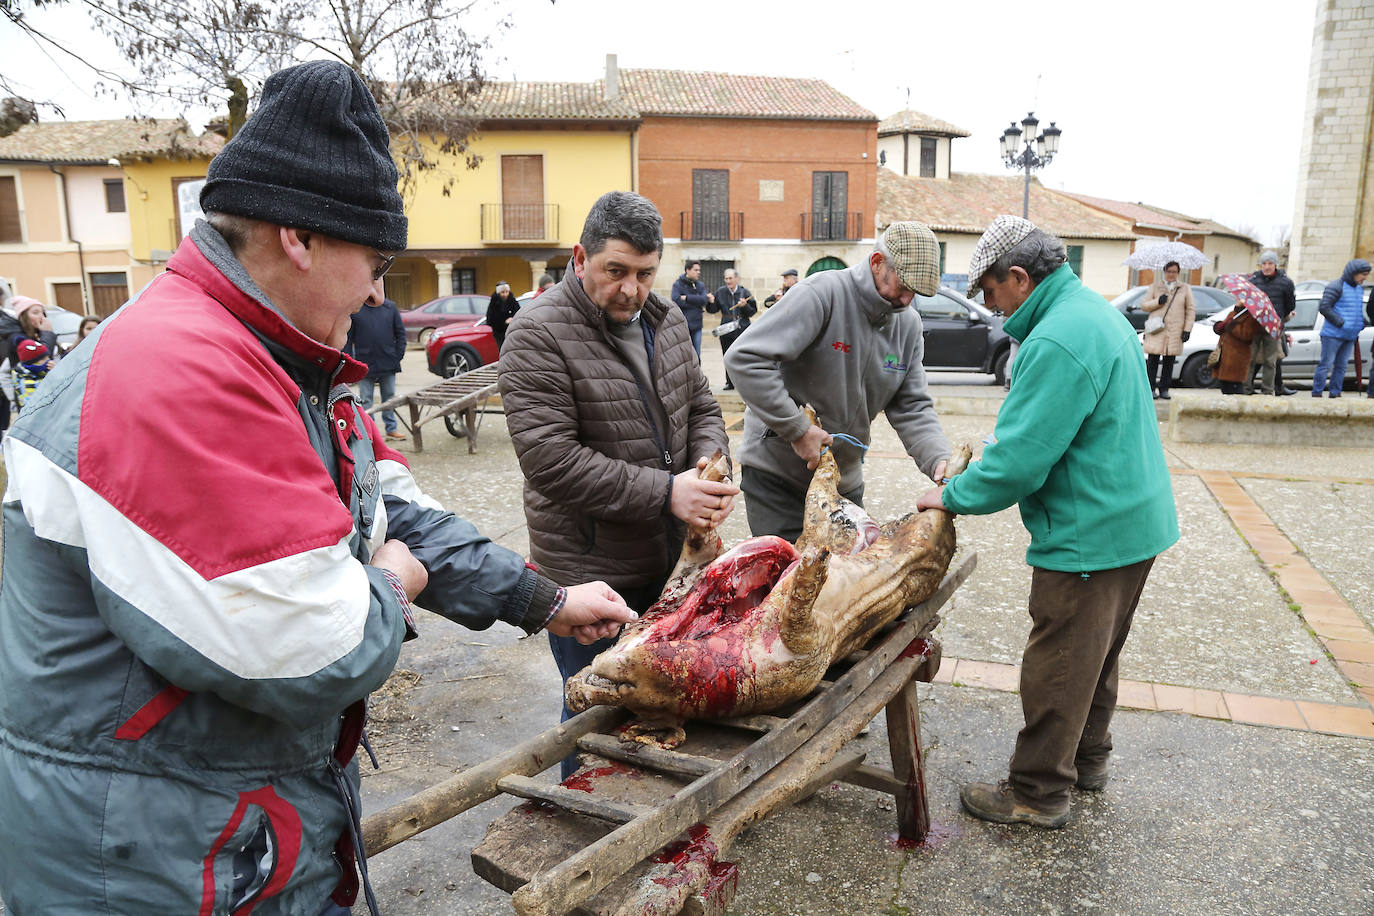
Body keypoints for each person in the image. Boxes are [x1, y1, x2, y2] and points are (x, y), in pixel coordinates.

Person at [0, 60, 637, 916]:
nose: (379, 290)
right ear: (298, 236)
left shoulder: (291, 366)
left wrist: (543, 598)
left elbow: (394, 513)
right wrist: (394, 583)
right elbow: (314, 646)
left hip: (229, 828)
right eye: (375, 259)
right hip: (149, 858)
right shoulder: (177, 373)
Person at [917, 215, 1178, 830]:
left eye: (989, 291)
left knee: (1058, 663)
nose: (988, 305)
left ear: (1017, 276)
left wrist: (951, 496)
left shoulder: (1057, 338)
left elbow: (1020, 463)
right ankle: (1086, 760)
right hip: (1132, 520)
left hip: (1091, 530)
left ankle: (1037, 790)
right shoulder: (1094, 312)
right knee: (1096, 656)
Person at [498, 191, 738, 776]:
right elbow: (550, 459)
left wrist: (712, 461)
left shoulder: (668, 318)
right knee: (594, 718)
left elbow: (702, 404)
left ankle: (650, 833)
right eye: (616, 271)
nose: (631, 289)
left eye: (645, 273)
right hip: (591, 577)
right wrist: (668, 493)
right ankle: (571, 830)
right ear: (581, 257)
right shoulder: (535, 333)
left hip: (672, 567)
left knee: (660, 714)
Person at [724, 221, 951, 543]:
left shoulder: (908, 324)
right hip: (779, 477)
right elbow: (744, 358)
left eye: (916, 292)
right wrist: (797, 429)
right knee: (791, 582)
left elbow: (911, 405)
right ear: (876, 262)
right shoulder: (821, 294)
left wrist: (939, 459)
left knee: (847, 579)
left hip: (843, 482)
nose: (907, 299)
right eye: (903, 286)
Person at [345, 295, 408, 441]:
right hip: (364, 363)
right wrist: (349, 361)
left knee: (389, 397)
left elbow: (400, 334)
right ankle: (370, 432)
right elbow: (348, 338)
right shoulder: (357, 308)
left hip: (388, 361)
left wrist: (397, 356)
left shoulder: (390, 307)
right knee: (366, 400)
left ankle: (391, 429)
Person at [1312, 258, 1370, 398]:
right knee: (1326, 364)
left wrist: (1360, 322)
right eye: (1363, 274)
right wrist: (1340, 322)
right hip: (1332, 334)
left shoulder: (1359, 289)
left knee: (1342, 366)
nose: (1365, 277)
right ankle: (1317, 393)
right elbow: (1324, 307)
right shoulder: (1336, 286)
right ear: (1353, 273)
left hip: (1350, 335)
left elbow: (1355, 309)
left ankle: (1335, 393)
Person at [1140, 260, 1195, 400]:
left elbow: (1190, 310)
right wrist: (1158, 301)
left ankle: (1164, 388)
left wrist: (1187, 329)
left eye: (1174, 272)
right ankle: (1150, 388)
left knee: (1169, 361)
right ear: (1164, 272)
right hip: (1157, 330)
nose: (1171, 275)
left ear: (1178, 273)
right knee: (1152, 361)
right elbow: (1144, 306)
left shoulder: (1184, 288)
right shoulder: (1155, 287)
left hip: (1175, 330)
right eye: (1169, 271)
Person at [1248, 252, 1296, 395]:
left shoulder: (1286, 282)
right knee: (1250, 359)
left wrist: (1279, 316)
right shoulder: (1254, 280)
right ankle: (1246, 388)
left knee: (1271, 361)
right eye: (1264, 264)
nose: (1267, 267)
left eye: (1270, 263)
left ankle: (1267, 390)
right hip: (1255, 323)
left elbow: (1290, 305)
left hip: (1273, 325)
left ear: (1275, 265)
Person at [708, 268, 757, 390]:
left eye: (730, 278)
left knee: (743, 356)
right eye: (726, 278)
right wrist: (711, 302)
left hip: (742, 327)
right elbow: (713, 310)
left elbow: (752, 312)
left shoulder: (745, 292)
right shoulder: (720, 292)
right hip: (726, 328)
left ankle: (744, 383)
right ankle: (730, 382)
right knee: (727, 355)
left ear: (737, 279)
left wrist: (745, 306)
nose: (728, 281)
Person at [1213, 301, 1261, 395]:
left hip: (1237, 357)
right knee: (1225, 387)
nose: (1237, 299)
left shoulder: (1251, 317)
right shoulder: (1233, 313)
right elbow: (1225, 328)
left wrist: (1231, 326)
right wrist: (1219, 327)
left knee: (1235, 389)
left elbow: (1247, 335)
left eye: (1240, 298)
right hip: (1225, 354)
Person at [670, 259, 713, 354]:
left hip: (697, 325)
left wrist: (687, 298)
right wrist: (697, 300)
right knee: (683, 354)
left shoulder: (700, 285)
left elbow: (704, 300)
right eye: (696, 270)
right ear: (687, 270)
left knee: (696, 355)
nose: (699, 272)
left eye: (699, 270)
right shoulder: (678, 284)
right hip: (683, 325)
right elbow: (676, 300)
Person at [11, 337, 50, 410]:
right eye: (43, 359)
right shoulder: (25, 381)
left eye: (48, 357)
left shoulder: (38, 372)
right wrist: (52, 373)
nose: (48, 361)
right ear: (31, 363)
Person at [485, 281, 520, 350]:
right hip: (499, 332)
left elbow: (518, 311)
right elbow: (490, 319)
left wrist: (512, 318)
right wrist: (504, 322)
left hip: (511, 331)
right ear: (498, 293)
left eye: (507, 292)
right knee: (503, 350)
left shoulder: (512, 300)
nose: (505, 294)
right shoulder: (494, 302)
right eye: (502, 292)